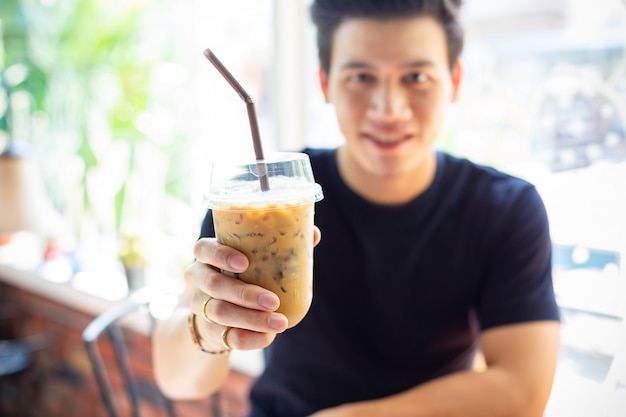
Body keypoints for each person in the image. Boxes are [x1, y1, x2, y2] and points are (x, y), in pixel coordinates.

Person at [152, 1, 561, 416]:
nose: (389, 109)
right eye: (361, 76)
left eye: (416, 77)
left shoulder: (505, 209)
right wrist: (208, 325)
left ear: (454, 81)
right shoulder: (260, 202)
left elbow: (523, 391)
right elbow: (177, 379)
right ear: (326, 82)